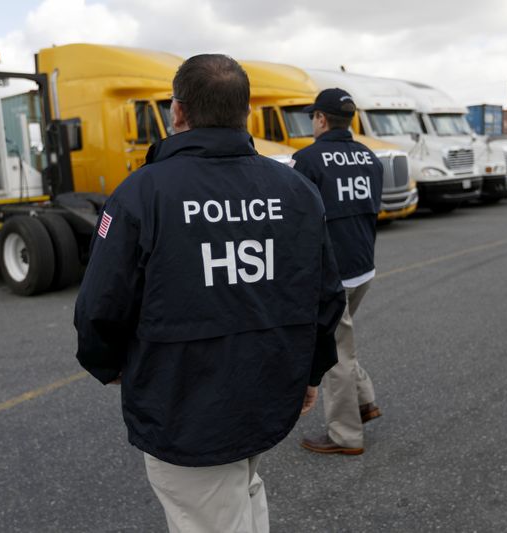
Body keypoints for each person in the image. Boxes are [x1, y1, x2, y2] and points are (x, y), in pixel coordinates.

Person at [74, 54, 346, 533]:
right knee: (243, 490)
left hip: (183, 403)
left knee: (211, 516)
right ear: (245, 112)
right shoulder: (297, 189)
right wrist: (311, 370)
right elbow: (325, 295)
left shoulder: (140, 193)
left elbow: (100, 305)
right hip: (267, 387)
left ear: (177, 112)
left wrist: (108, 365)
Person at [292, 88, 384, 455]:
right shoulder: (369, 158)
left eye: (313, 116)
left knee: (335, 354)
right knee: (342, 341)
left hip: (331, 273)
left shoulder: (308, 160)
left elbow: (297, 223)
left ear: (320, 119)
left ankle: (345, 435)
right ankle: (365, 401)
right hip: (363, 267)